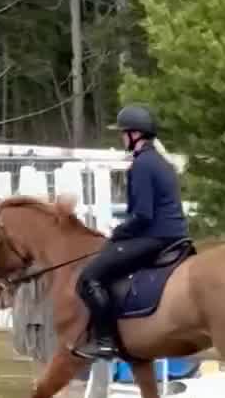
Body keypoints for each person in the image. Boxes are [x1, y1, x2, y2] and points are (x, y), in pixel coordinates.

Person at [76, 105, 191, 358]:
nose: (121, 138)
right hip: (174, 236)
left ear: (134, 134)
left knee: (89, 279)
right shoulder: (161, 162)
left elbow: (142, 216)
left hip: (154, 238)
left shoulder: (142, 165)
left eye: (123, 133)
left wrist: (118, 232)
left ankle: (106, 341)